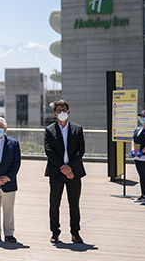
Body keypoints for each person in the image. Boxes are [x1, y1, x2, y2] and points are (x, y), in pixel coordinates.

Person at [44, 99, 86, 244]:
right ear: (55, 113)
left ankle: (75, 232)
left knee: (74, 203)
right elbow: (49, 151)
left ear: (68, 112)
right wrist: (63, 167)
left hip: (74, 172)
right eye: (59, 110)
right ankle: (55, 232)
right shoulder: (49, 130)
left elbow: (81, 150)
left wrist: (70, 167)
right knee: (54, 203)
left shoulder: (77, 129)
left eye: (64, 110)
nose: (62, 113)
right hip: (56, 172)